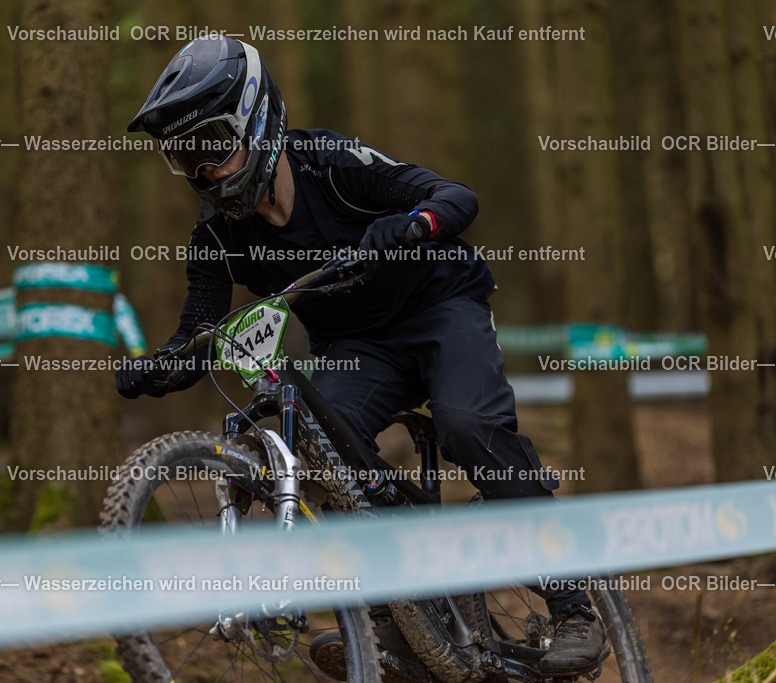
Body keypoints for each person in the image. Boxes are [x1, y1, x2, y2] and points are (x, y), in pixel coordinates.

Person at [118, 35, 608, 678]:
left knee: (467, 426)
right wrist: (162, 366)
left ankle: (574, 608)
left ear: (257, 119)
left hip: (442, 310)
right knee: (319, 450)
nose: (206, 170)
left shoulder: (330, 164)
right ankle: (400, 614)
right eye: (187, 156)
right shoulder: (216, 233)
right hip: (357, 350)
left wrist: (412, 224)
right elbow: (198, 333)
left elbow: (456, 196)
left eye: (212, 145)